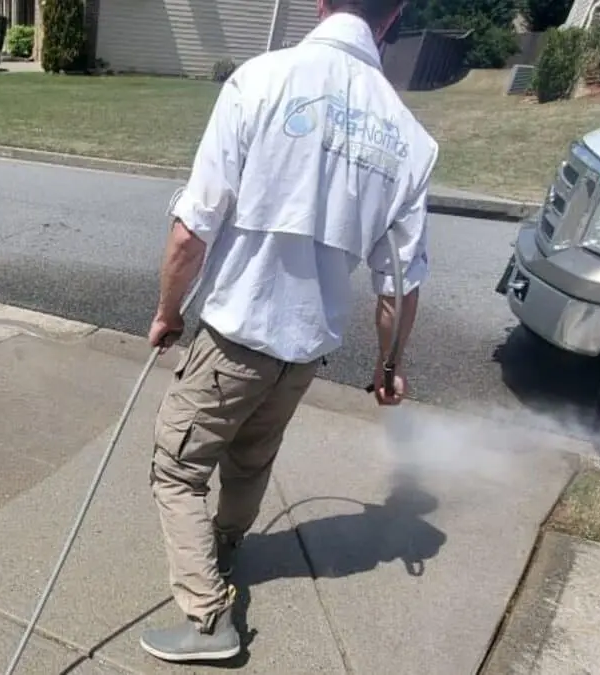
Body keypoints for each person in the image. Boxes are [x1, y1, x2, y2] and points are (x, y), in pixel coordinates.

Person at [138, 0, 438, 663]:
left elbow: (193, 228)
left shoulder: (261, 81)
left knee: (176, 470)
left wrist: (168, 311)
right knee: (251, 457)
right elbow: (399, 284)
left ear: (322, 3)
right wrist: (389, 367)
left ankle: (209, 617)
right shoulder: (410, 139)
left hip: (235, 337)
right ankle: (224, 547)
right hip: (302, 353)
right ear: (391, 20)